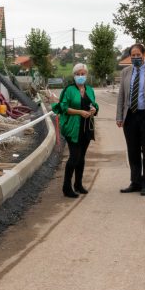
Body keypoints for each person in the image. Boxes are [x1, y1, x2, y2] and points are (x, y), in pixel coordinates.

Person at [116, 43, 145, 196]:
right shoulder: (125, 72)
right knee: (132, 151)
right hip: (130, 116)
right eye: (133, 55)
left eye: (138, 55)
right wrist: (119, 116)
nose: (136, 58)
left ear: (144, 55)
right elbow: (121, 96)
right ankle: (135, 182)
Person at [52, 63, 98, 198]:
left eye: (83, 74)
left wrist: (94, 109)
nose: (80, 76)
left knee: (82, 158)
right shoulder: (69, 90)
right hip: (73, 128)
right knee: (74, 157)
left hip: (86, 128)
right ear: (74, 75)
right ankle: (67, 187)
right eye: (78, 74)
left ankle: (78, 184)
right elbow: (64, 107)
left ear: (86, 75)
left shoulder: (89, 89)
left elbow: (94, 104)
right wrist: (79, 112)